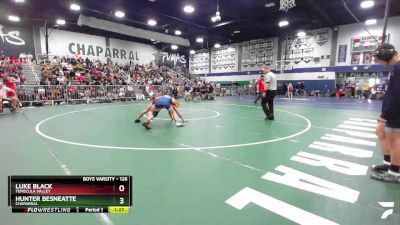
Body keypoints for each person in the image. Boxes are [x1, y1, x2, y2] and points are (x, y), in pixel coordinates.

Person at [370, 43, 400, 184]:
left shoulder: (399, 67)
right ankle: (388, 163)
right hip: (391, 111)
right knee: (381, 133)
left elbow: (397, 95)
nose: (378, 62)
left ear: (384, 55)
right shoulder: (396, 67)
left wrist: (385, 115)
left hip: (395, 112)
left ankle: (395, 173)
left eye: (378, 58)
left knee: (395, 142)